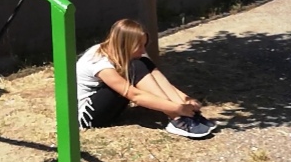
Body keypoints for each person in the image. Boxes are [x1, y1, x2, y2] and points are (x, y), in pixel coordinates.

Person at [76, 18, 216, 138]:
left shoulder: (124, 53)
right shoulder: (98, 61)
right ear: (124, 45)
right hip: (88, 118)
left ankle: (188, 115)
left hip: (108, 106)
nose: (143, 50)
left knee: (143, 63)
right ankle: (176, 118)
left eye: (144, 45)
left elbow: (158, 82)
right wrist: (177, 108)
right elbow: (135, 96)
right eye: (139, 46)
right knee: (135, 67)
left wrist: (185, 100)